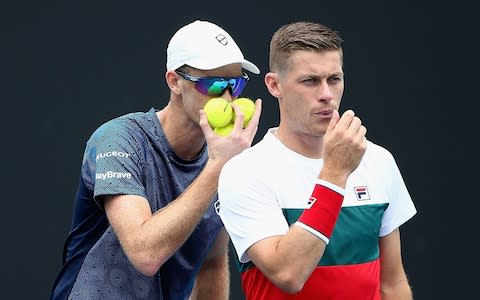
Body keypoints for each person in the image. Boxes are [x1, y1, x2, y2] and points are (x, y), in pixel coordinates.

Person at [50, 19, 262, 300]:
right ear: (174, 82)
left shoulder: (223, 156)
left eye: (234, 85)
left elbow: (210, 265)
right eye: (212, 85)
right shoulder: (117, 138)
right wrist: (219, 167)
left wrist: (221, 165)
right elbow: (145, 253)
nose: (226, 98)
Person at [217, 21, 417, 299]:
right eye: (310, 81)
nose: (326, 95)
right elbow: (289, 274)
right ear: (275, 85)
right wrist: (335, 173)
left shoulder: (379, 160)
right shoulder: (244, 171)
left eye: (334, 79)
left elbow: (392, 283)